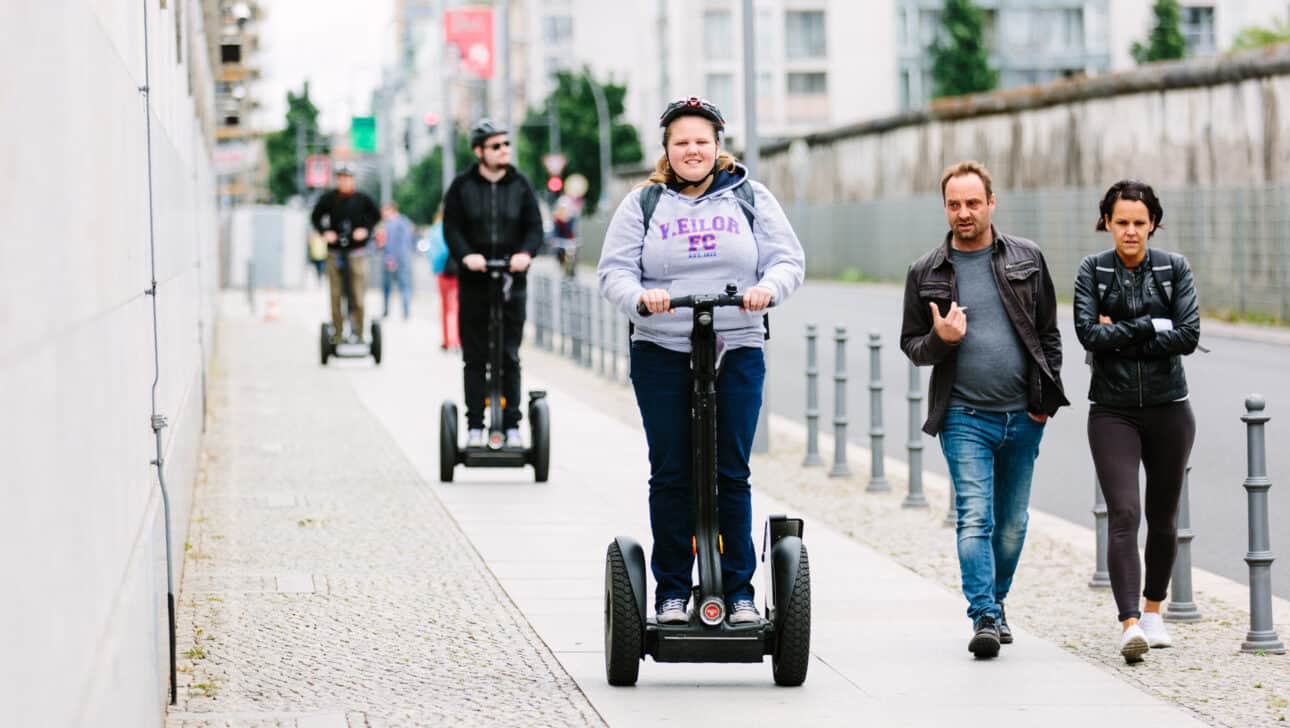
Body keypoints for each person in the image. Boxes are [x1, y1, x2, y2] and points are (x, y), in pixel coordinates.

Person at [598, 96, 805, 626]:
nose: (692, 150)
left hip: (735, 344)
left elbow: (787, 259)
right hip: (662, 347)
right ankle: (670, 588)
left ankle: (737, 590)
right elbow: (613, 271)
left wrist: (767, 290)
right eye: (682, 142)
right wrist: (641, 298)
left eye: (702, 141)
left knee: (731, 473)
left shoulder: (750, 197)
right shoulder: (643, 203)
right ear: (667, 150)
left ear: (718, 146)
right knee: (671, 473)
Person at [899, 160, 1068, 658]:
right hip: (963, 416)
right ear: (945, 208)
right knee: (975, 517)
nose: (964, 213)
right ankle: (985, 616)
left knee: (1012, 524)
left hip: (1023, 415)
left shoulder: (1027, 258)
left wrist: (1044, 402)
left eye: (973, 203)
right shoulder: (925, 271)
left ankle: (996, 600)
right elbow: (912, 345)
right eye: (954, 204)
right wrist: (941, 339)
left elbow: (1049, 334)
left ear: (992, 203)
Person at [1073, 180, 1199, 664]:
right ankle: (1129, 624)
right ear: (1107, 221)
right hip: (1112, 409)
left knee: (1163, 516)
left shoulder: (1174, 269)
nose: (1130, 232)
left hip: (1170, 406)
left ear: (1153, 224)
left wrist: (1122, 332)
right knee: (1124, 512)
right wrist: (1152, 325)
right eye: (1121, 222)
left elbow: (1187, 334)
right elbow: (1087, 333)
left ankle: (1153, 611)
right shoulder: (1093, 270)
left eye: (1139, 224)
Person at [442, 118, 543, 448]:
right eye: (496, 146)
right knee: (475, 357)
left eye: (506, 145)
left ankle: (512, 426)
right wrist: (466, 256)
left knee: (509, 354)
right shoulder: (461, 187)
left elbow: (534, 228)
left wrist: (526, 253)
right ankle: (474, 426)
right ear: (479, 151)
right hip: (475, 281)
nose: (504, 151)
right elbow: (452, 230)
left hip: (512, 282)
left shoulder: (521, 185)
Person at [310, 165, 381, 342]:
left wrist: (365, 230)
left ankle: (358, 331)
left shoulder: (362, 199)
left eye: (347, 178)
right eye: (341, 178)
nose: (344, 181)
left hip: (357, 253)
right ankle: (338, 333)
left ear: (353, 180)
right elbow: (315, 217)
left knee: (358, 295)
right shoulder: (329, 199)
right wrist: (325, 232)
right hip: (335, 253)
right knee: (336, 295)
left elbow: (376, 217)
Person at [426, 206, 461, 351]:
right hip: (456, 270)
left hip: (442, 272)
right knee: (457, 306)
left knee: (445, 306)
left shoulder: (434, 230)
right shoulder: (456, 227)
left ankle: (447, 340)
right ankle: (457, 339)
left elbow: (433, 254)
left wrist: (437, 267)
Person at [378, 201, 416, 320]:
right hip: (403, 258)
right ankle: (405, 312)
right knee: (404, 286)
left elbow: (395, 244)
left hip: (394, 259)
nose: (382, 214)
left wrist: (391, 259)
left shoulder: (392, 224)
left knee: (389, 287)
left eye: (384, 211)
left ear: (391, 210)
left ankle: (388, 311)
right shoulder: (405, 222)